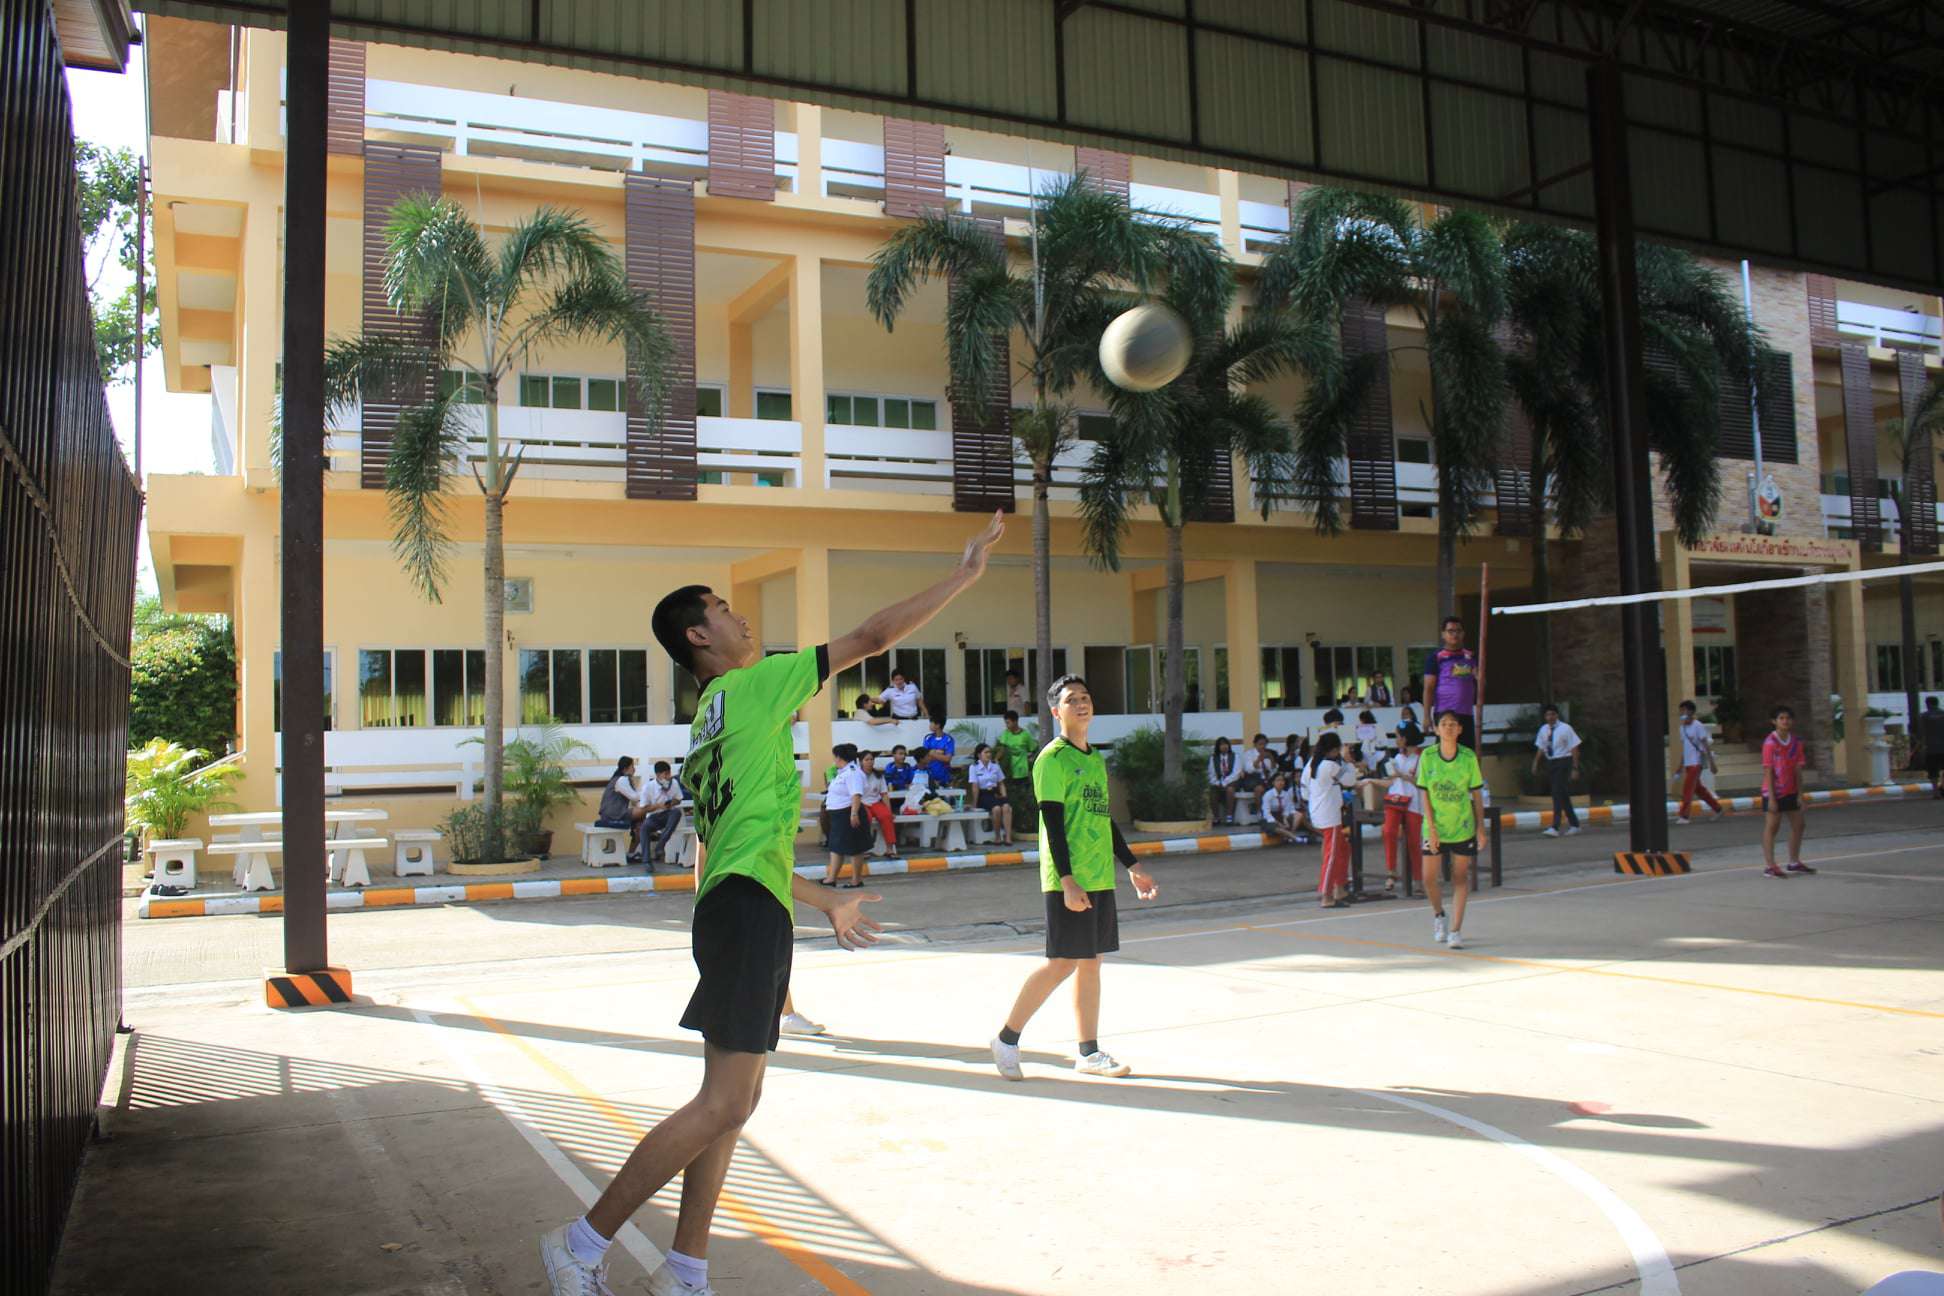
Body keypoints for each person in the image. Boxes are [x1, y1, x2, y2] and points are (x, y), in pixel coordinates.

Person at [539, 510, 1004, 1296]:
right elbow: (871, 636)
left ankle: (685, 1271)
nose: (740, 616)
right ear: (698, 635)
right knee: (723, 1102)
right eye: (723, 608)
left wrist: (813, 899)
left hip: (736, 907)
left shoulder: (705, 724)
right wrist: (963, 575)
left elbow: (730, 849)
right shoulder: (756, 685)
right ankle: (580, 1244)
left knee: (734, 1102)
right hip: (745, 913)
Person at [990, 675, 1159, 1082]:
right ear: (1055, 711)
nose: (1081, 703)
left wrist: (1132, 866)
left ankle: (1089, 1052)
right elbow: (1052, 823)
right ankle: (1006, 1039)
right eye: (1071, 700)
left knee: (1091, 963)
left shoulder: (1095, 759)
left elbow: (1103, 820)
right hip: (1070, 878)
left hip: (1099, 876)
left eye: (1085, 697)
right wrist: (1067, 880)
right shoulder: (1051, 759)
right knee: (1062, 963)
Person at [1417, 709, 1485, 949]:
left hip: (1462, 826)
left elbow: (1477, 795)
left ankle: (1456, 930)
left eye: (1452, 724)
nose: (1448, 727)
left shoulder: (1468, 757)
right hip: (1435, 826)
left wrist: (1480, 828)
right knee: (1428, 878)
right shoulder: (1428, 757)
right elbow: (1424, 794)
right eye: (1444, 724)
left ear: (1459, 729)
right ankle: (1439, 916)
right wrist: (1432, 828)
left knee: (1460, 877)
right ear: (1436, 729)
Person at [1305, 733, 1363, 907]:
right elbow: (1349, 780)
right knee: (1331, 856)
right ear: (1335, 749)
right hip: (1329, 815)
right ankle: (1327, 895)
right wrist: (1347, 761)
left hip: (1319, 810)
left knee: (1343, 849)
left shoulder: (1313, 762)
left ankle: (1340, 888)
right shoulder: (1329, 765)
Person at [1761, 704, 1815, 878]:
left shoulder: (1796, 743)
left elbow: (1798, 770)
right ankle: (1770, 865)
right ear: (1774, 721)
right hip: (1774, 791)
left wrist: (1800, 794)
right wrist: (1772, 798)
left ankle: (1794, 861)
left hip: (1791, 790)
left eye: (1788, 718)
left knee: (1799, 824)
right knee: (1772, 827)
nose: (1785, 721)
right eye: (1781, 718)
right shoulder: (1770, 743)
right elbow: (1768, 770)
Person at [1421, 615, 1482, 750]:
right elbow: (1428, 688)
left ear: (1463, 633)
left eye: (1458, 631)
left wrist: (1479, 677)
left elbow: (1482, 684)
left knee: (1467, 752)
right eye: (1450, 631)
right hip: (1444, 713)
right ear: (1443, 634)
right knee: (1446, 753)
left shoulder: (1471, 656)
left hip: (1466, 713)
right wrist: (1426, 716)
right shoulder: (1435, 658)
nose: (1455, 634)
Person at [1381, 724, 1424, 894]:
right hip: (1396, 800)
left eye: (1398, 736)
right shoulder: (1397, 757)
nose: (1396, 740)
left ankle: (1418, 880)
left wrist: (1402, 776)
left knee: (1414, 841)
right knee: (1388, 831)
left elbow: (1421, 782)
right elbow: (1391, 781)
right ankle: (1391, 872)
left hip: (1414, 803)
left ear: (1405, 738)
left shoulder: (1421, 758)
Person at [1531, 704, 1582, 837]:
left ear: (1557, 715)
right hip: (1551, 762)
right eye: (1548, 715)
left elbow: (1574, 748)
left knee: (1556, 792)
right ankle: (1575, 824)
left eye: (1553, 714)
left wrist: (1575, 767)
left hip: (1563, 761)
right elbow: (1541, 747)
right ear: (1544, 716)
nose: (1550, 717)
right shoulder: (1543, 729)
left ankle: (1555, 826)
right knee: (1562, 794)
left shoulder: (1566, 728)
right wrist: (1536, 762)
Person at [822, 744, 870, 888]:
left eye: (835, 757)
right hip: (839, 814)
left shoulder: (852, 772)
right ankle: (832, 878)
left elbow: (856, 794)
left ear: (839, 757)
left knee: (854, 847)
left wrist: (854, 813)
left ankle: (856, 880)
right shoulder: (843, 772)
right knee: (836, 846)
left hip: (848, 813)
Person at [1673, 699, 1724, 823]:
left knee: (1687, 789)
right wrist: (1680, 766)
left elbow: (1705, 745)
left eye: (1684, 710)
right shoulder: (1682, 728)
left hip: (1696, 763)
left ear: (1691, 712)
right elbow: (1685, 748)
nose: (1682, 713)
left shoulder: (1698, 726)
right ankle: (1718, 808)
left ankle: (1684, 816)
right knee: (1698, 789)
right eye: (1681, 711)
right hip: (1688, 763)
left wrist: (1712, 763)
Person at [995, 710, 1039, 834]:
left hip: (1022, 773)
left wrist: (1029, 760)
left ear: (1015, 722)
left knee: (1024, 799)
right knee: (1011, 800)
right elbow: (1000, 749)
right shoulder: (1005, 734)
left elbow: (1034, 749)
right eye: (1006, 723)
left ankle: (1027, 824)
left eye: (1008, 722)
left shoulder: (1025, 735)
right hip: (1008, 773)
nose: (1007, 725)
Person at [638, 760, 686, 868]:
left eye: (669, 773)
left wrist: (671, 803)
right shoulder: (648, 787)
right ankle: (646, 861)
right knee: (644, 828)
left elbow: (679, 799)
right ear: (658, 775)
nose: (668, 776)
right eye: (666, 774)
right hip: (654, 816)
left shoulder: (674, 783)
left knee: (676, 812)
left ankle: (661, 844)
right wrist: (658, 806)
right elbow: (644, 808)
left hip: (668, 815)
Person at [967, 743, 1013, 844]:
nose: (989, 754)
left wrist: (1004, 796)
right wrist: (974, 803)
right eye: (986, 752)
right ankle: (997, 836)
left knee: (1006, 807)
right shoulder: (974, 767)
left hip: (995, 793)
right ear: (979, 755)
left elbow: (1001, 783)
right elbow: (975, 787)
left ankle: (1008, 837)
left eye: (989, 752)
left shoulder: (995, 766)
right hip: (983, 794)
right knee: (996, 809)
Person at [597, 757, 641, 856]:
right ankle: (632, 851)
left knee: (640, 820)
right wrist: (648, 796)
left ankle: (633, 849)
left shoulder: (618, 778)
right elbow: (634, 797)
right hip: (615, 814)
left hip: (608, 814)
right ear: (625, 768)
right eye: (632, 766)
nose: (634, 769)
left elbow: (634, 800)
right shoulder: (622, 779)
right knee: (644, 811)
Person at [1259, 770, 1308, 846]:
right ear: (1273, 782)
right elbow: (1266, 813)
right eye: (1278, 780)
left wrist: (1285, 819)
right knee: (1275, 827)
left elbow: (1288, 809)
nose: (1281, 782)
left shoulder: (1286, 794)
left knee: (1299, 815)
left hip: (1281, 816)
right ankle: (1295, 838)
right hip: (1269, 819)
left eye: (1282, 780)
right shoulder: (1268, 795)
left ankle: (1290, 835)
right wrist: (1278, 823)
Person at [1207, 735, 1244, 825]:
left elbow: (1236, 773)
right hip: (1219, 782)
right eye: (1222, 745)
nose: (1224, 746)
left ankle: (1229, 817)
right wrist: (1217, 783)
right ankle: (1216, 817)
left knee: (1230, 790)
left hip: (1233, 782)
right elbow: (1211, 774)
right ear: (1218, 747)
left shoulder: (1235, 756)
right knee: (1212, 792)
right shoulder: (1213, 758)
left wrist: (1224, 783)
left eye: (1226, 744)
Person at [1919, 696, 1944, 799]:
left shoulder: (1924, 716)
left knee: (1933, 771)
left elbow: (1920, 732)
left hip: (1931, 748)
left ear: (1927, 704)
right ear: (1937, 703)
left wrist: (1922, 745)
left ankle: (1936, 792)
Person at [920, 716, 955, 788]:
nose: (929, 725)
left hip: (944, 777)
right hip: (930, 777)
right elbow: (924, 757)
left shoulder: (948, 739)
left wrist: (932, 752)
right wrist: (939, 752)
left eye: (931, 723)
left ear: (938, 725)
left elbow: (947, 759)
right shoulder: (928, 738)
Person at [1239, 732, 1275, 798]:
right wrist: (1259, 759)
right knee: (1259, 789)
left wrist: (1271, 758)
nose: (1263, 746)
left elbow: (1273, 770)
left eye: (1264, 744)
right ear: (1255, 744)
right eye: (1260, 744)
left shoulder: (1268, 753)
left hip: (1266, 779)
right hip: (1252, 779)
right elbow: (1249, 770)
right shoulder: (1248, 754)